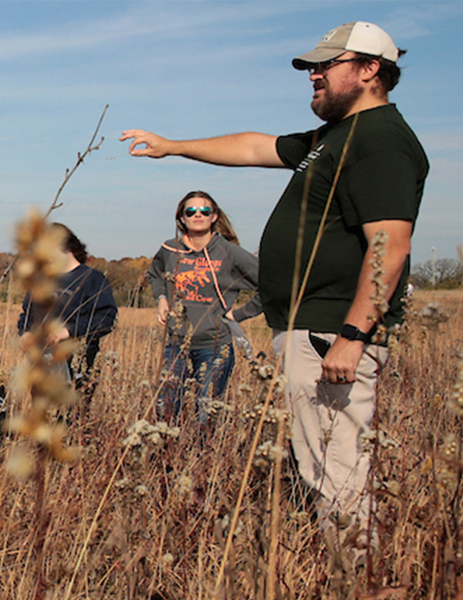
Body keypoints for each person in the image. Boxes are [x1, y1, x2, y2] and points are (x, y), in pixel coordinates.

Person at [121, 22, 428, 557]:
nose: (314, 74)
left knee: (339, 470)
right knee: (319, 463)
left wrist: (353, 335)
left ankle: (358, 574)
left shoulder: (381, 141)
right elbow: (255, 146)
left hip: (333, 330)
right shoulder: (335, 138)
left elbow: (390, 248)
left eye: (327, 64)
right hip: (312, 330)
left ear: (370, 69)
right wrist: (173, 147)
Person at [147, 192, 260, 424]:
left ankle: (201, 456)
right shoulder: (170, 250)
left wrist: (238, 314)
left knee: (206, 414)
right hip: (175, 343)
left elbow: (271, 284)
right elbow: (155, 274)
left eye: (204, 211)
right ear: (182, 218)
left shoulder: (228, 252)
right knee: (165, 412)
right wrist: (161, 298)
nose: (197, 215)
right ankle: (168, 458)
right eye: (191, 211)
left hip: (216, 345)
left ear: (213, 217)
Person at [17, 223, 117, 405]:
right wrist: (25, 334)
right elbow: (26, 315)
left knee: (73, 417)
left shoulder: (92, 279)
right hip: (41, 363)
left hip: (79, 362)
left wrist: (68, 331)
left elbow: (107, 318)